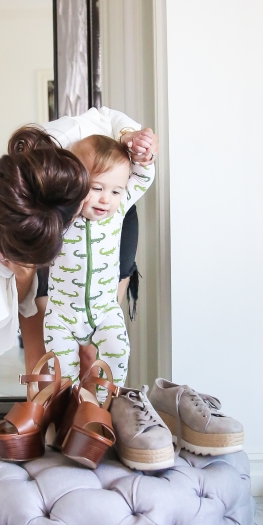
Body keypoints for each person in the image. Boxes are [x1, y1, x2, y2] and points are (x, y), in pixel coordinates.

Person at [0, 107, 157, 372]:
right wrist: (22, 273)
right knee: (43, 360)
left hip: (111, 220)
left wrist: (130, 137)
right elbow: (18, 302)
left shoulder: (68, 143)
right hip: (27, 236)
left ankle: (94, 406)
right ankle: (50, 406)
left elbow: (108, 117)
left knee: (92, 351)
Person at [42, 132, 155, 388]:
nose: (107, 199)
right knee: (61, 374)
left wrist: (142, 156)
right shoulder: (60, 216)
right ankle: (67, 412)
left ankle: (101, 406)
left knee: (118, 352)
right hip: (61, 315)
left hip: (105, 310)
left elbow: (144, 177)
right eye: (96, 188)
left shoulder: (119, 209)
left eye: (116, 190)